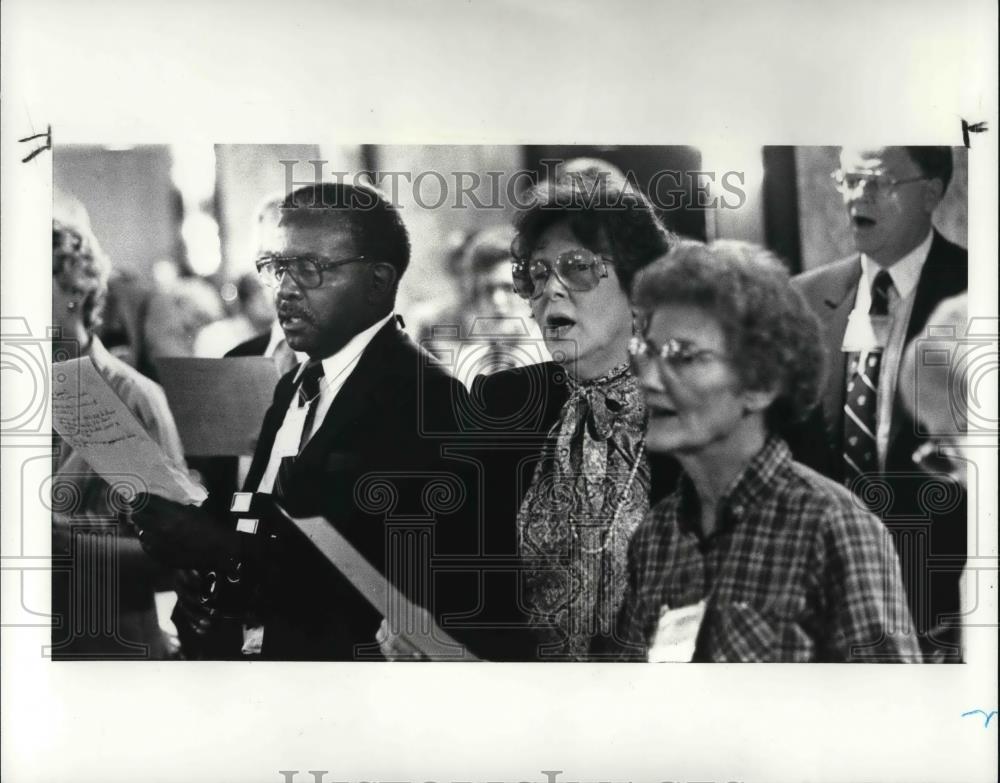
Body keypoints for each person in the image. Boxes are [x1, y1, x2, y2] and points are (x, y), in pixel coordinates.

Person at [132, 182, 478, 661]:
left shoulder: (427, 398)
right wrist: (204, 575)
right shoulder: (294, 385)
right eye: (277, 268)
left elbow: (390, 577)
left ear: (379, 280)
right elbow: (254, 515)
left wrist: (218, 550)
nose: (286, 290)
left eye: (310, 268)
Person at [612, 240, 921, 662]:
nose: (648, 378)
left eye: (682, 356)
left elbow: (892, 716)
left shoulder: (833, 528)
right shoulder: (655, 538)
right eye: (645, 351)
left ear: (760, 385)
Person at [468, 168, 676, 660]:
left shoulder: (696, 406)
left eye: (578, 267)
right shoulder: (505, 403)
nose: (550, 292)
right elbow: (462, 569)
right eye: (536, 274)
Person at [790, 146, 967, 661]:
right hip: (828, 608)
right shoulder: (802, 299)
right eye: (849, 179)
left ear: (931, 192)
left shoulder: (977, 290)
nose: (856, 197)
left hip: (945, 604)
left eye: (877, 182)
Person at [51, 218, 187, 658]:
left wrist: (62, 545)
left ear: (76, 288)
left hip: (111, 653)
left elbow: (175, 558)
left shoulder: (126, 398)